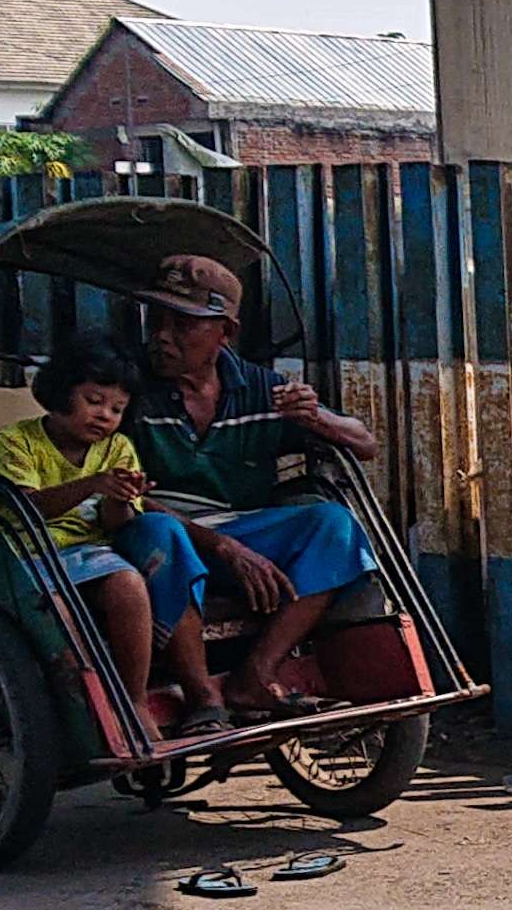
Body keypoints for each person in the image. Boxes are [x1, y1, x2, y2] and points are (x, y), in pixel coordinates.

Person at [110, 252, 385, 718]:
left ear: (225, 332)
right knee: (160, 532)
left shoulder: (261, 389)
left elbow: (365, 444)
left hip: (244, 527)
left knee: (333, 524)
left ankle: (256, 673)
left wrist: (315, 415)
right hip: (156, 533)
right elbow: (123, 493)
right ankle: (202, 695)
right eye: (155, 320)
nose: (161, 336)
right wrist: (223, 548)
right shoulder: (127, 387)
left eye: (182, 324)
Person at [0, 330, 225, 732]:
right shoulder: (16, 442)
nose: (104, 416)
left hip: (93, 554)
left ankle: (133, 702)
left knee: (128, 584)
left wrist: (120, 497)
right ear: (61, 393)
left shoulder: (119, 448)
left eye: (116, 409)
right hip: (30, 555)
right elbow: (25, 508)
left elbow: (118, 526)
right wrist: (92, 485)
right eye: (93, 402)